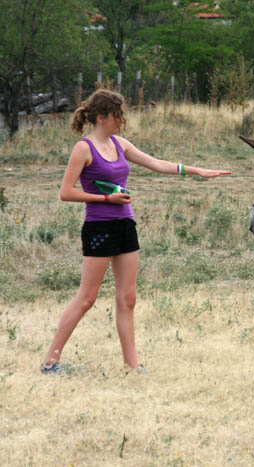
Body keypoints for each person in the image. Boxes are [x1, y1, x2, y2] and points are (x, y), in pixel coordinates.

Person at [41, 89, 230, 374]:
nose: (122, 122)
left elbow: (157, 164)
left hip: (125, 226)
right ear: (102, 117)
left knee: (128, 298)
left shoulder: (120, 144)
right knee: (87, 298)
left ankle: (132, 366)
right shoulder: (83, 148)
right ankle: (50, 362)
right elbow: (65, 193)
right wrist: (106, 199)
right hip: (98, 227)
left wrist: (197, 171)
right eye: (117, 116)